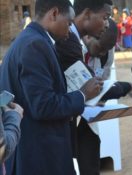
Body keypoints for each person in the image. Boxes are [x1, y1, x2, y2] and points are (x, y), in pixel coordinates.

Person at [0, 0, 103, 174]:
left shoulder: (30, 40)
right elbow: (44, 106)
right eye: (69, 23)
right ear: (54, 14)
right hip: (39, 157)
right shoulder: (35, 45)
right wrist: (82, 94)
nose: (70, 30)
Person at [55, 2, 132, 174]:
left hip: (85, 112)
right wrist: (128, 87)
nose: (106, 23)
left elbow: (97, 85)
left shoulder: (99, 49)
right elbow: (93, 84)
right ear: (87, 14)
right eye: (105, 18)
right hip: (62, 115)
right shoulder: (68, 41)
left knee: (90, 154)